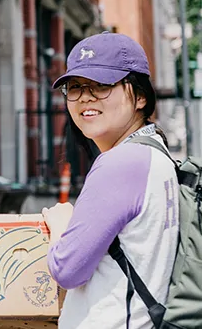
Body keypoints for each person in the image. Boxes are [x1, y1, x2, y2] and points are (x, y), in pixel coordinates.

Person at [42, 33, 178, 329]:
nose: (86, 97)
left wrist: (61, 223)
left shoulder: (120, 163)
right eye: (75, 87)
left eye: (102, 85)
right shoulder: (155, 153)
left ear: (140, 96)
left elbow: (67, 270)